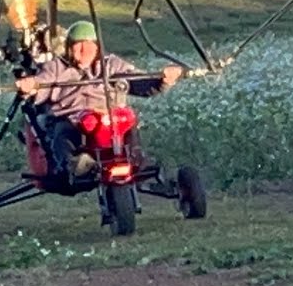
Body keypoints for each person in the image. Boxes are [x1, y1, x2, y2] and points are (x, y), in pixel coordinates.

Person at [14, 20, 182, 181]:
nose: (84, 50)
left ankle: (137, 159)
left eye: (89, 45)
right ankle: (75, 165)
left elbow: (138, 81)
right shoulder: (56, 67)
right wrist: (31, 86)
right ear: (69, 47)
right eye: (78, 45)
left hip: (106, 116)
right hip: (72, 119)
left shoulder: (111, 65)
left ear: (97, 47)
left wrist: (163, 80)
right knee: (61, 131)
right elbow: (42, 83)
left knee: (127, 120)